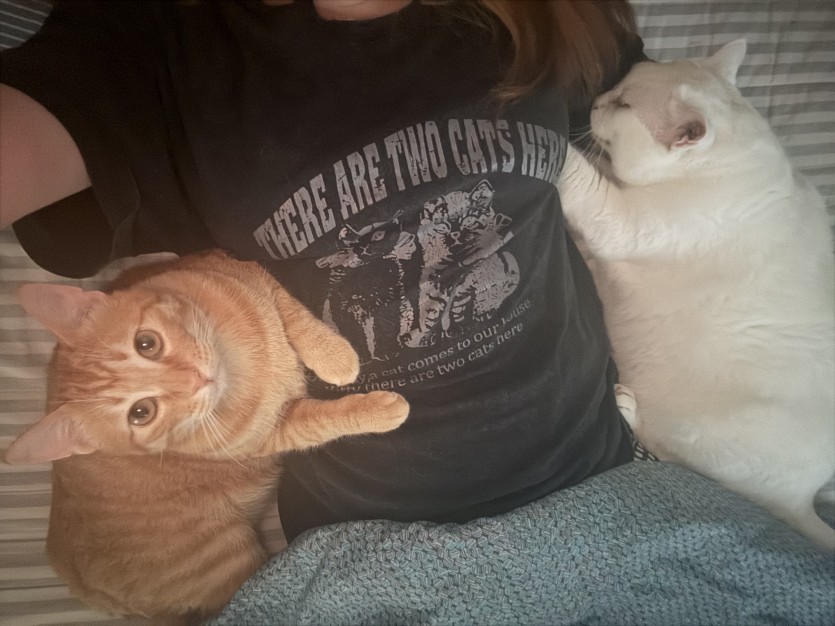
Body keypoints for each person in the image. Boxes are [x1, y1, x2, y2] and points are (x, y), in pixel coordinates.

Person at [0, 0, 645, 542]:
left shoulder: (543, 13)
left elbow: (660, 129)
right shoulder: (160, 43)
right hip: (374, 548)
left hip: (604, 489)